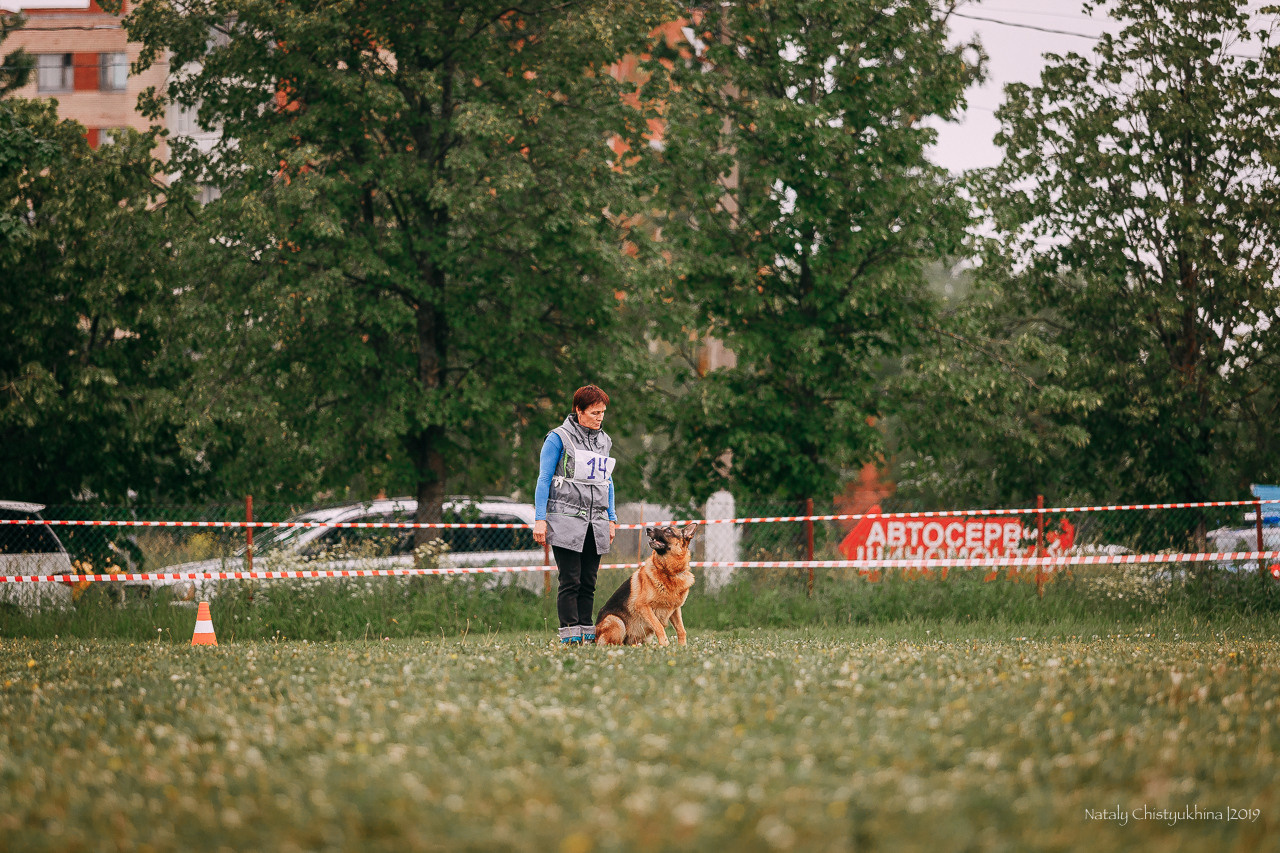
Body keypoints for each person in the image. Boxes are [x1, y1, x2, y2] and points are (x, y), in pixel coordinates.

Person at [532, 385, 618, 644]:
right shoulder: (557, 438)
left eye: (602, 412)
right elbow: (544, 478)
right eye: (594, 412)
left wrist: (611, 518)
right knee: (570, 580)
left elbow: (607, 482)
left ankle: (586, 634)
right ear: (579, 411)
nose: (600, 417)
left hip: (597, 522)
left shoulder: (604, 440)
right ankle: (570, 638)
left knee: (589, 581)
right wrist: (540, 518)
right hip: (566, 521)